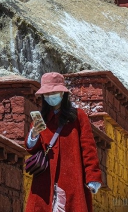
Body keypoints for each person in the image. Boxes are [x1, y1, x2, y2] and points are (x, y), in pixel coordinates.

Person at [25, 72, 102, 212]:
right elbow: (31, 149)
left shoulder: (78, 117)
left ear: (63, 93)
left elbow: (88, 149)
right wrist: (34, 134)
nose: (51, 96)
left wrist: (93, 176)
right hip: (44, 183)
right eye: (47, 93)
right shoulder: (41, 119)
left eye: (54, 92)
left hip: (72, 180)